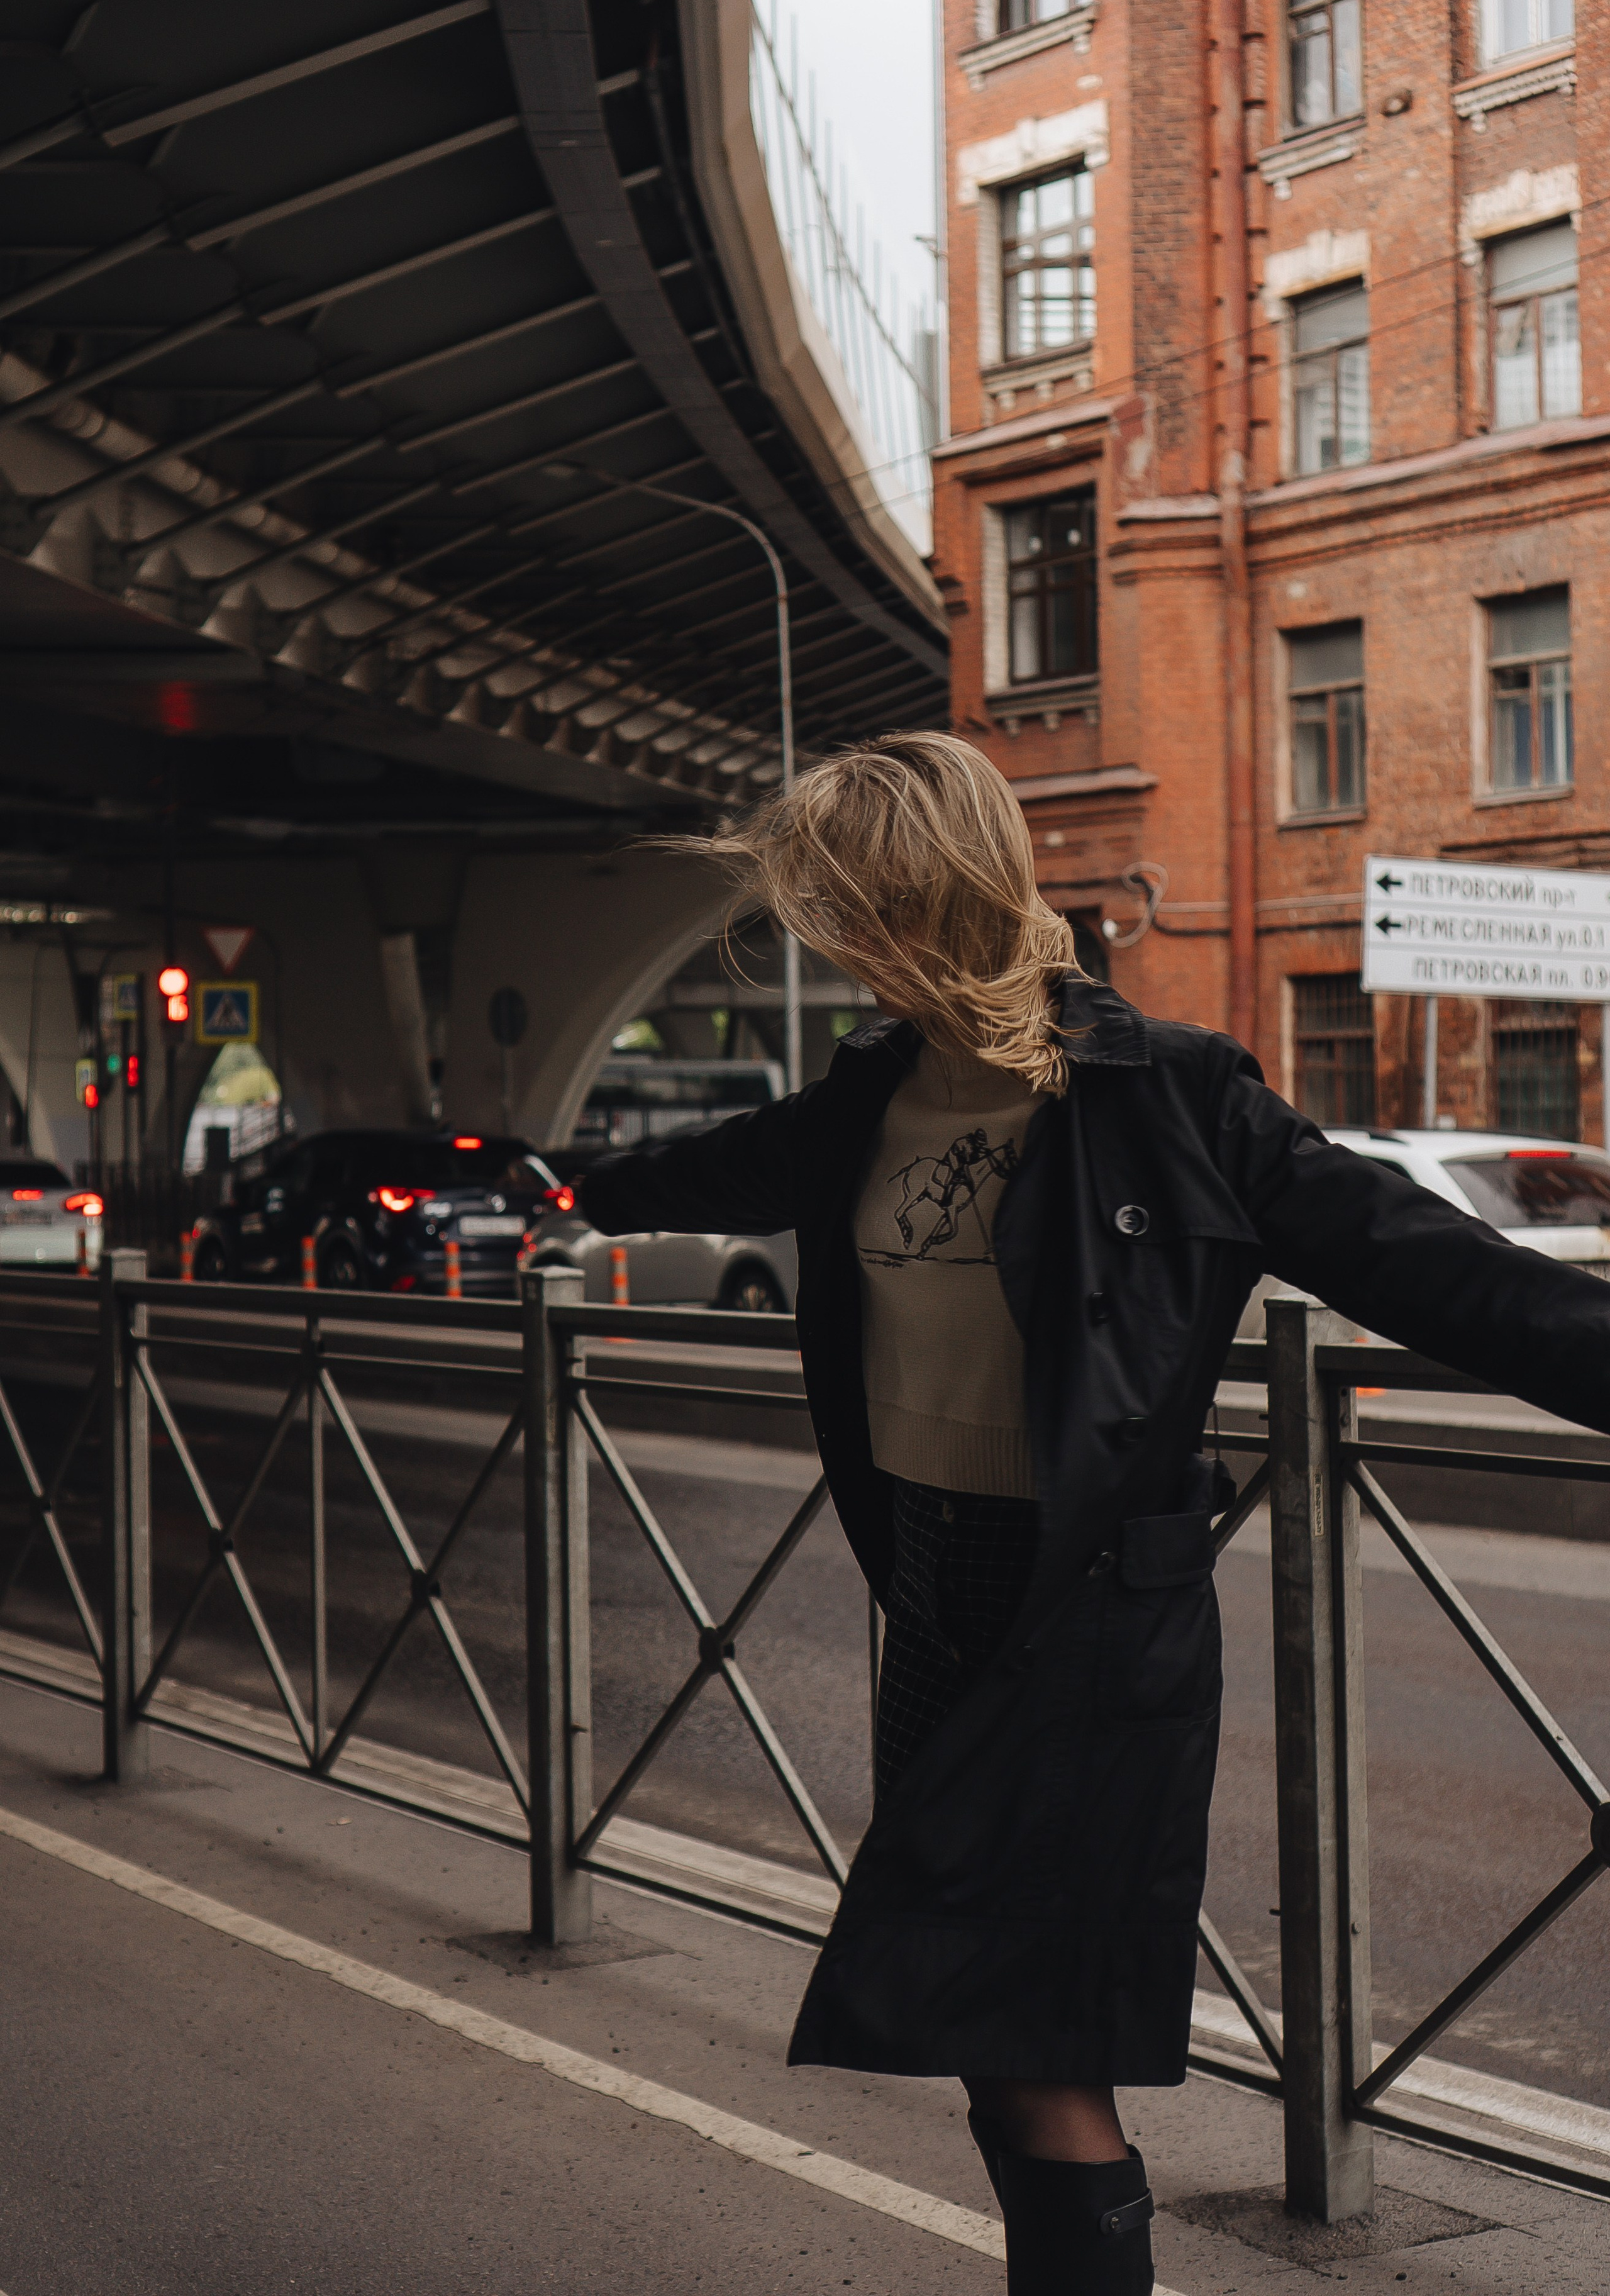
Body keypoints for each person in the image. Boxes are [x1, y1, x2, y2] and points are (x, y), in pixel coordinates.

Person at [578, 732, 1610, 2293]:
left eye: (839, 910)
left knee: (1024, 2033)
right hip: (929, 1593)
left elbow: (1435, 1270)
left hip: (1084, 1609)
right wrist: (553, 1179)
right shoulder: (868, 1093)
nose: (824, 945)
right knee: (995, 2033)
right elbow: (703, 1172)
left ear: (911, 900)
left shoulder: (1166, 1094)